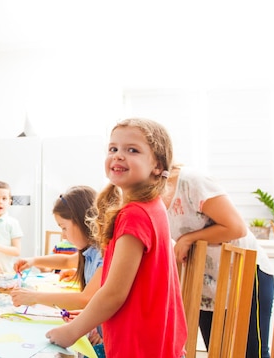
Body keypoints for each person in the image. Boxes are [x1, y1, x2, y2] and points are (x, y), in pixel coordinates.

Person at [45, 118, 187, 358]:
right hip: (157, 341)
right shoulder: (152, 205)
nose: (118, 156)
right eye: (113, 149)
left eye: (132, 150)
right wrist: (92, 318)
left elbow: (114, 293)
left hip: (138, 347)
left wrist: (71, 332)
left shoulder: (135, 214)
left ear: (157, 165)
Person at [163, 164, 274, 358]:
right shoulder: (149, 196)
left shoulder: (192, 181)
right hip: (206, 283)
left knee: (252, 353)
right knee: (218, 352)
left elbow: (236, 227)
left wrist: (188, 239)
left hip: (245, 272)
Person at [11, 185, 104, 348]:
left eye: (64, 227)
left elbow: (86, 299)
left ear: (82, 220)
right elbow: (67, 261)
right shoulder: (90, 251)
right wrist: (33, 261)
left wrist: (34, 297)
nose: (63, 235)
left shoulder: (103, 253)